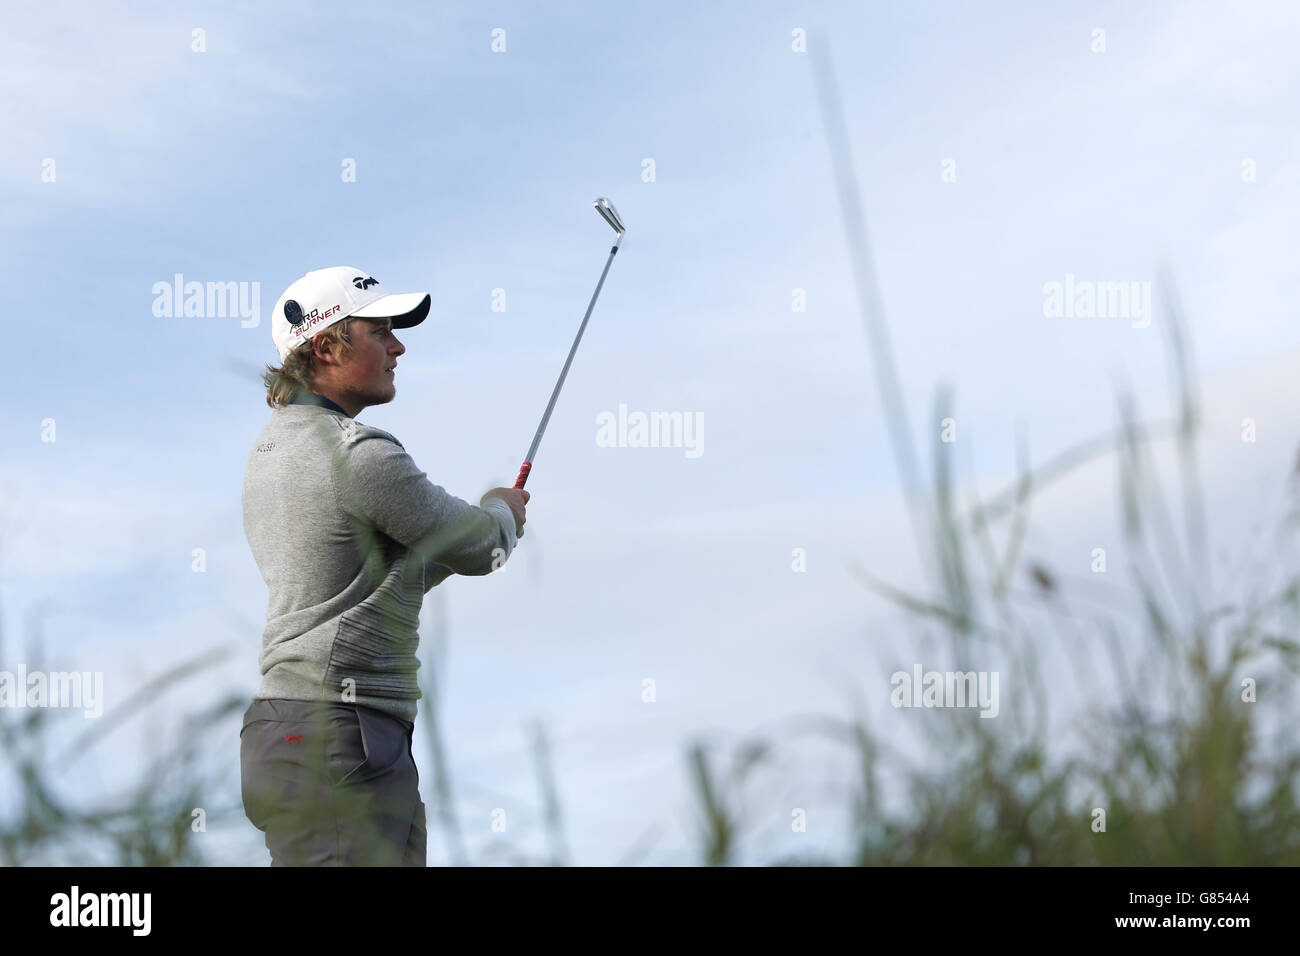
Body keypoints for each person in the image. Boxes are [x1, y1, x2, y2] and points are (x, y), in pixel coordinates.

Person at [238, 266, 528, 866]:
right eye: (380, 332)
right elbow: (477, 546)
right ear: (326, 345)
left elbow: (387, 574)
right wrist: (502, 512)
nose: (398, 347)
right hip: (342, 737)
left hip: (297, 732)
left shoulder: (267, 452)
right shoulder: (358, 453)